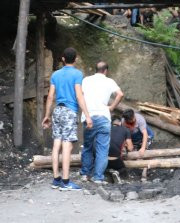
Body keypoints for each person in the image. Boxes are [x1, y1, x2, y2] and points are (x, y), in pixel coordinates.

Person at [41, 48, 92, 191]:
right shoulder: (77, 74)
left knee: (56, 144)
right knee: (67, 146)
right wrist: (87, 115)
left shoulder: (55, 75)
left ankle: (56, 179)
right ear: (75, 59)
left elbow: (50, 96)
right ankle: (65, 181)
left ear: (63, 58)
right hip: (70, 111)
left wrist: (47, 115)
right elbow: (79, 95)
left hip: (57, 110)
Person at [79, 62, 124, 184]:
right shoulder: (109, 81)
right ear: (106, 71)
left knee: (87, 147)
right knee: (102, 149)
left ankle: (85, 174)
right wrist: (111, 107)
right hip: (104, 118)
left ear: (96, 69)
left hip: (89, 117)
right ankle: (98, 177)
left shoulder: (86, 80)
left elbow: (80, 96)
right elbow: (120, 94)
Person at [122, 109, 154, 181]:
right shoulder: (123, 122)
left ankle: (144, 172)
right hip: (134, 137)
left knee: (145, 150)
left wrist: (143, 147)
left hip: (147, 135)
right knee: (132, 152)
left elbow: (145, 134)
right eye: (131, 119)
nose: (134, 119)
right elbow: (124, 135)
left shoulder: (139, 119)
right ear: (127, 120)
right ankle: (134, 168)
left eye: (133, 117)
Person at [107, 116, 133, 184]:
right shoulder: (125, 130)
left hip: (103, 159)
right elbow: (130, 148)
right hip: (115, 159)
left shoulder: (106, 128)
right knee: (123, 169)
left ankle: (108, 171)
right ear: (120, 122)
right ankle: (117, 172)